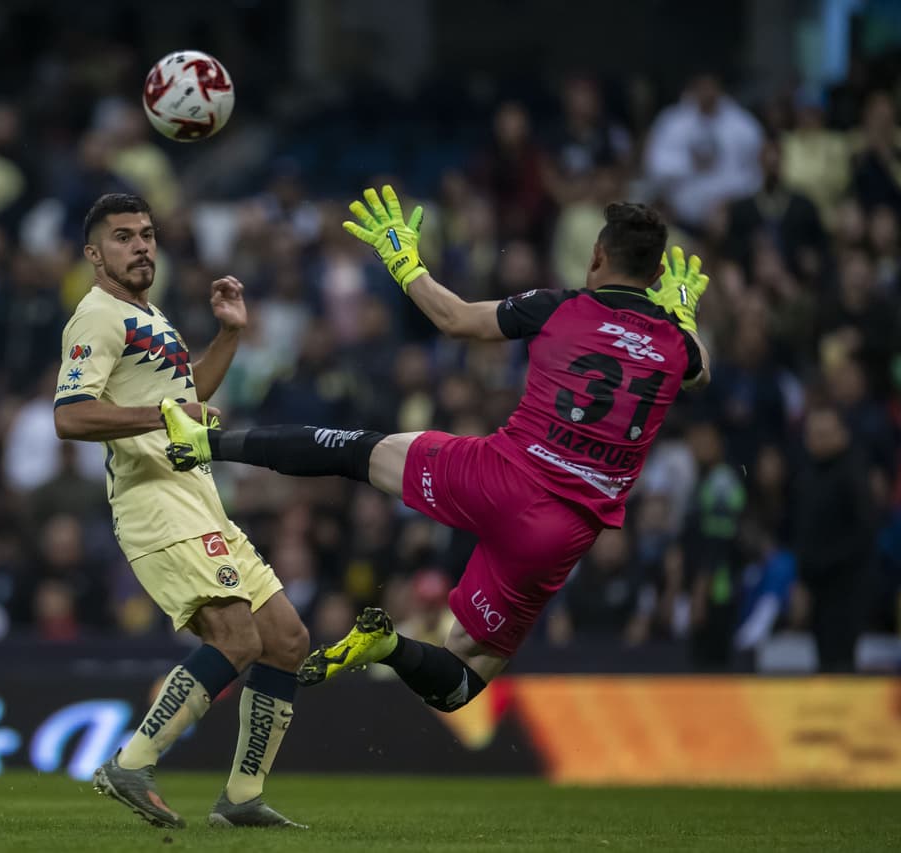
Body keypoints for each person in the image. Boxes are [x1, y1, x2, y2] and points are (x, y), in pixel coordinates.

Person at [162, 185, 710, 716]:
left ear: (596, 256)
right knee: (464, 676)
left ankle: (207, 442)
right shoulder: (677, 345)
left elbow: (455, 319)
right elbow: (699, 373)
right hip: (559, 533)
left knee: (356, 451)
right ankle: (388, 647)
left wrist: (406, 265)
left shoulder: (558, 308)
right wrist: (682, 316)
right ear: (658, 275)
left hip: (497, 476)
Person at [54, 194, 309, 829]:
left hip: (198, 496)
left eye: (146, 235)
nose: (141, 246)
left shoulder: (149, 315)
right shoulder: (97, 317)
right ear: (94, 254)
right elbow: (70, 415)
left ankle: (242, 799)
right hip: (153, 503)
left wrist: (229, 334)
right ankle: (130, 763)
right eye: (122, 238)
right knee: (237, 637)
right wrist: (167, 416)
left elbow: (186, 395)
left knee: (287, 641)